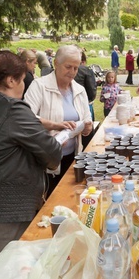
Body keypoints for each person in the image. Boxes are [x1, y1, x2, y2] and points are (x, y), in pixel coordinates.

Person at [0, 51, 62, 255]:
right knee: (15, 277)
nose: (24, 85)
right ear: (11, 80)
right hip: (7, 213)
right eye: (22, 80)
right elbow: (53, 154)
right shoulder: (12, 108)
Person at [25, 45, 93, 195]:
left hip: (73, 156)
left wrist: (87, 127)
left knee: (69, 197)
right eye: (68, 67)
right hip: (46, 161)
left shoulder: (79, 90)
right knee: (49, 200)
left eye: (76, 68)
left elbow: (87, 118)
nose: (72, 72)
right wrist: (54, 125)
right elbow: (25, 118)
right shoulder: (39, 86)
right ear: (56, 63)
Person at [74, 51, 97, 148]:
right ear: (83, 60)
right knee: (87, 130)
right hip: (85, 104)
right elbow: (92, 90)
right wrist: (91, 99)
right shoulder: (86, 70)